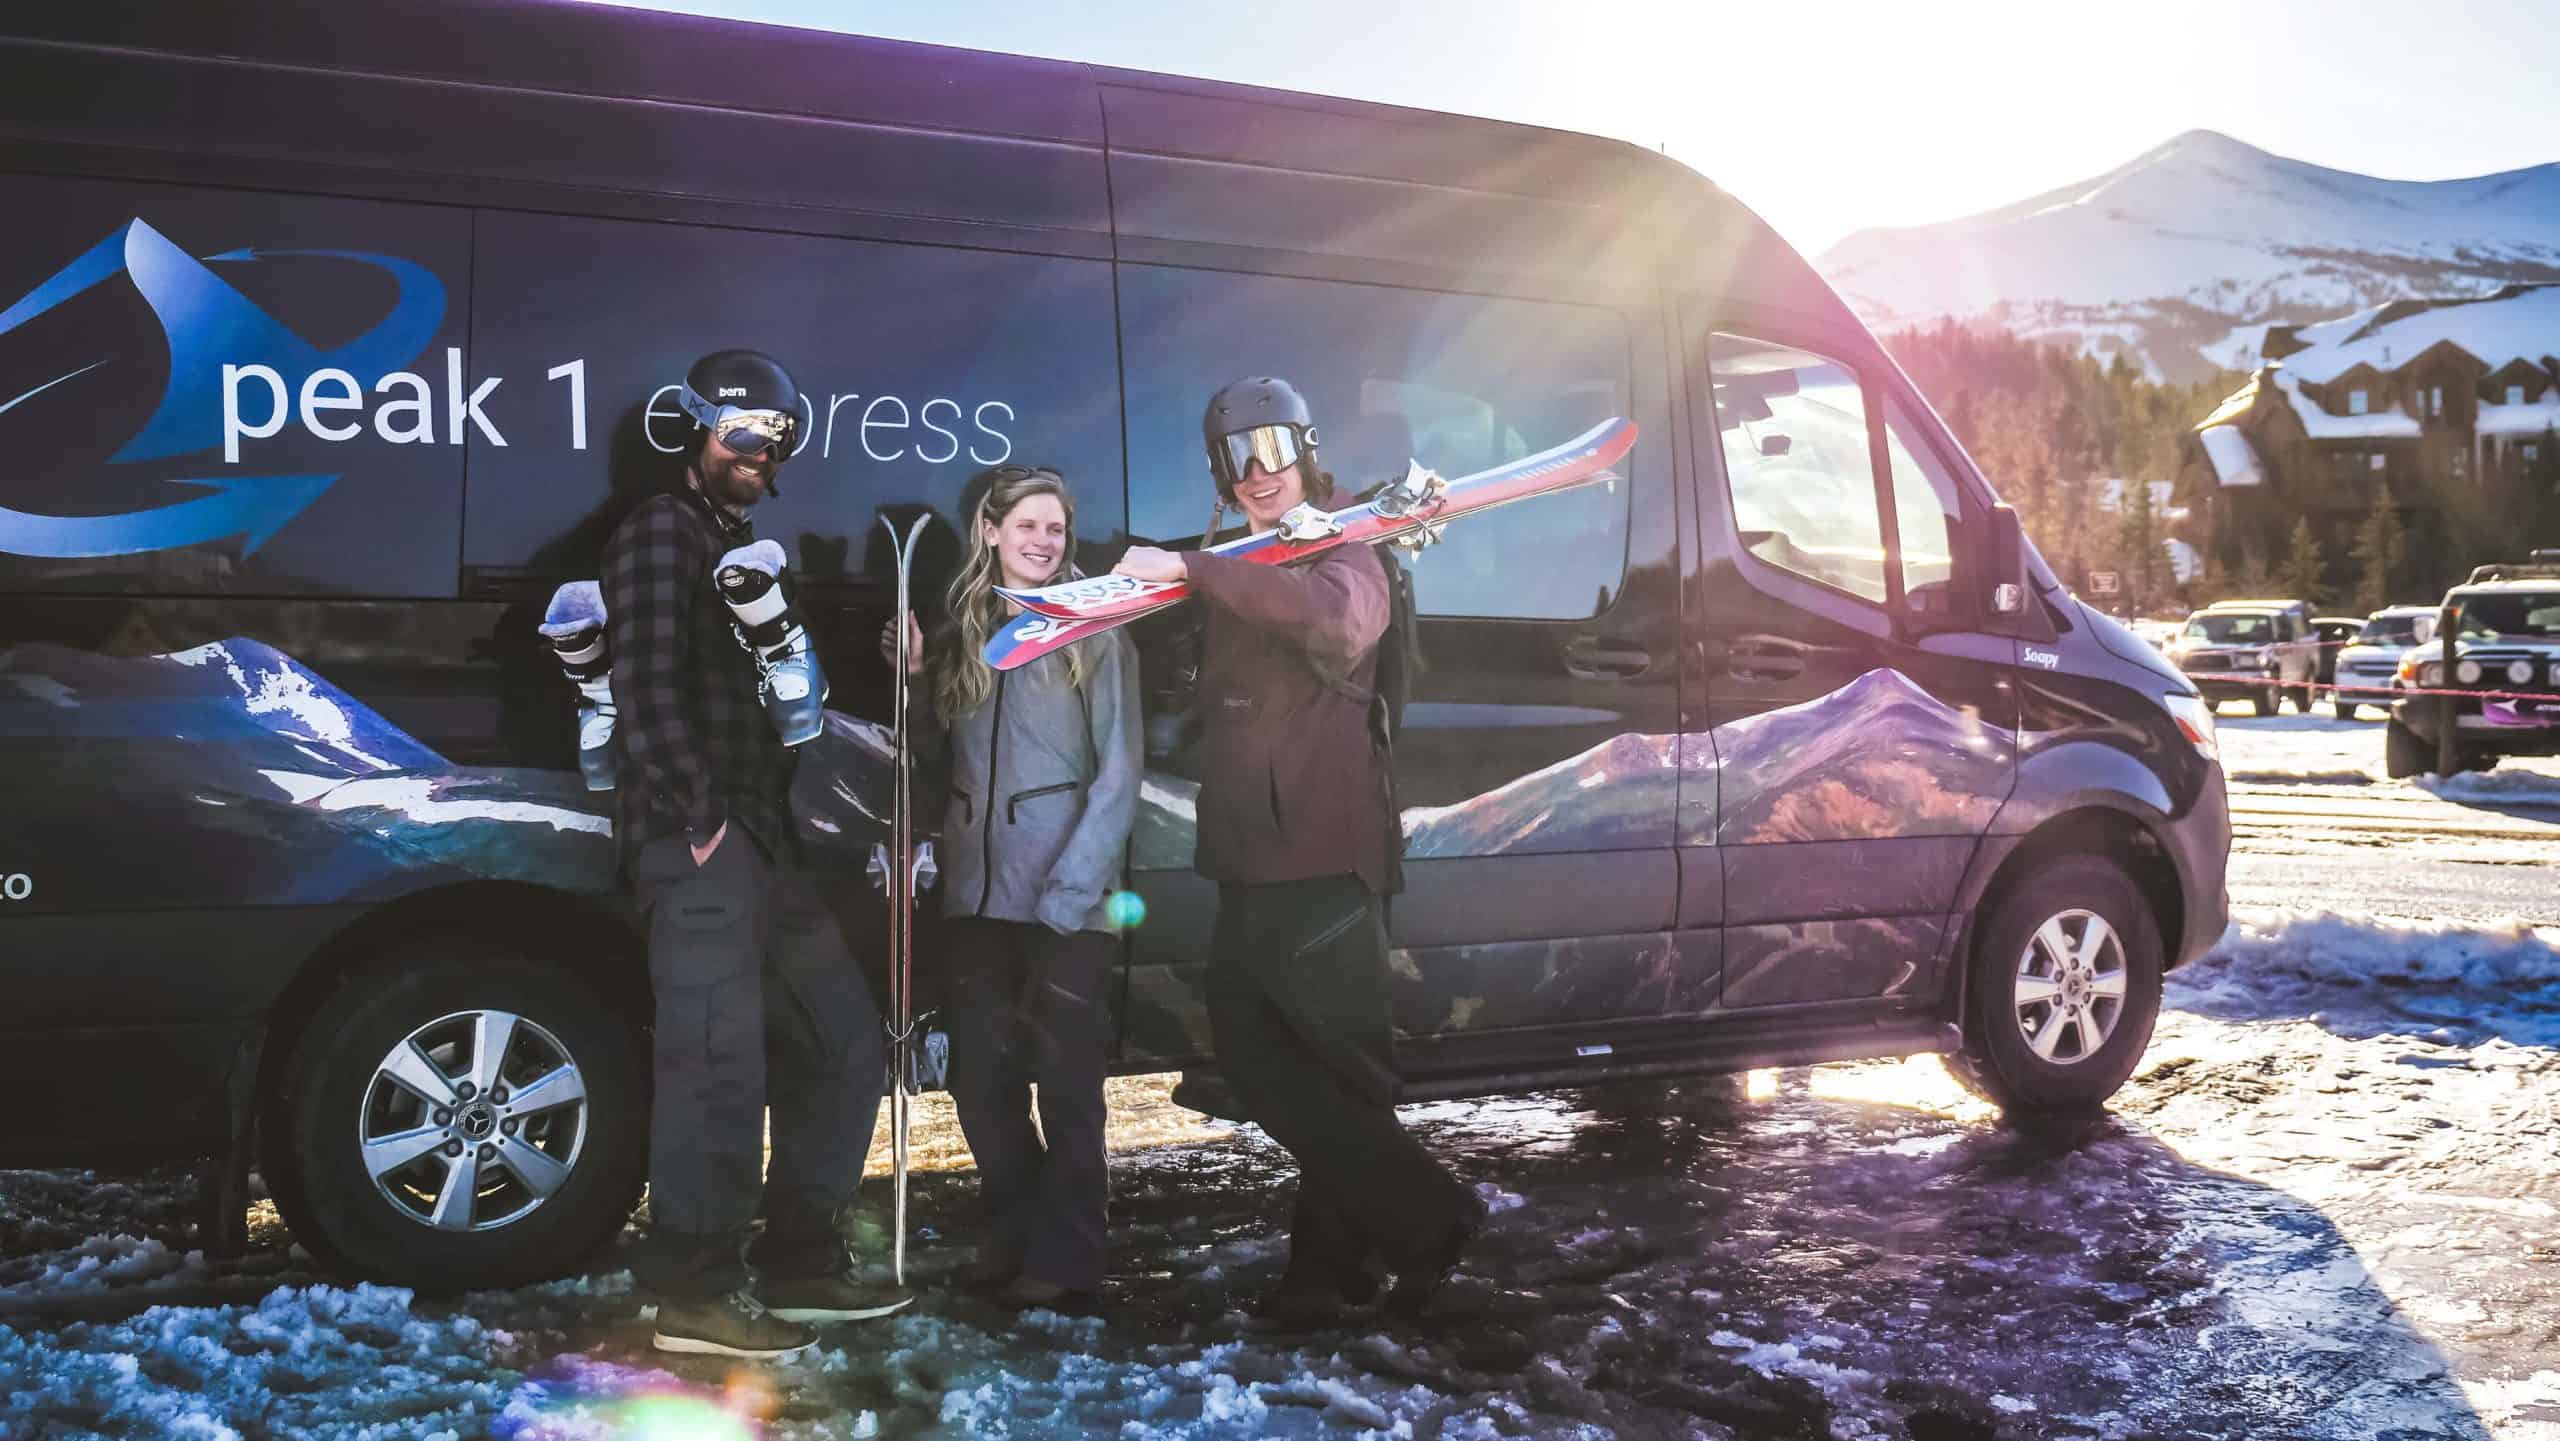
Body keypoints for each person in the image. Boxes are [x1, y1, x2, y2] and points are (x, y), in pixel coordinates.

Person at [1114, 377, 1482, 1326]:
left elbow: (1340, 625)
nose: (1261, 472)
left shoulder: (1345, 547)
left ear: (1306, 448)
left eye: (1275, 448)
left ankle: (1408, 1230)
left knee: (1335, 1073)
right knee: (1261, 1057)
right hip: (1251, 853)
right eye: (1239, 457)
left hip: (1322, 858)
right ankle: (1337, 1269)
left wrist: (1193, 572)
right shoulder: (1251, 555)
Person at [602, 348, 910, 1360]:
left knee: (843, 1040)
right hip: (701, 841)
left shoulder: (742, 544)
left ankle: (801, 1261)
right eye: (740, 431)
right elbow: (641, 684)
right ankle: (692, 1293)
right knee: (714, 1063)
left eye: (774, 439)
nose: (757, 451)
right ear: (692, 431)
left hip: (765, 848)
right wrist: (699, 816)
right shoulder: (661, 531)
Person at [883, 465, 1140, 1314]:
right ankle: (1017, 1226)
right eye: (1025, 525)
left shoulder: (1097, 629)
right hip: (975, 897)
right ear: (989, 531)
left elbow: (1120, 770)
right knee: (981, 1078)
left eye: (1055, 528)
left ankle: (1068, 1255)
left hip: (1067, 897)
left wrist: (1074, 889)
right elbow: (928, 757)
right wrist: (915, 676)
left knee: (1067, 1080)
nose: (1042, 541)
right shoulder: (967, 627)